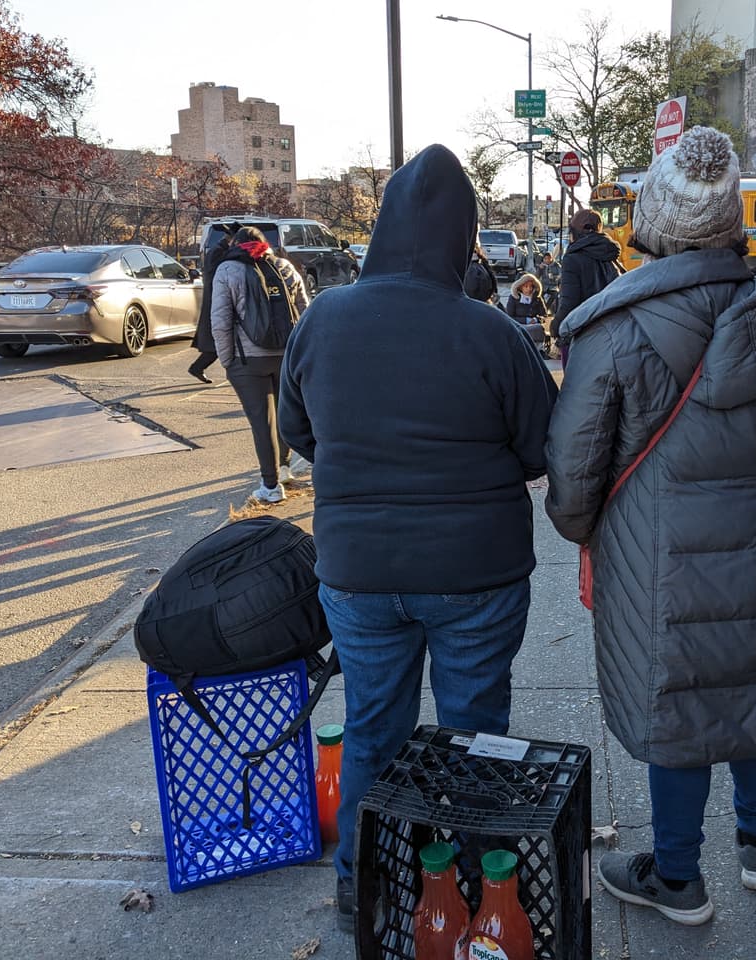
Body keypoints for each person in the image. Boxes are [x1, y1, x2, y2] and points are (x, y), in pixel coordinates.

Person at [544, 127, 756, 926]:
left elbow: (573, 475)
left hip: (654, 559)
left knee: (676, 705)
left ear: (651, 223)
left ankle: (677, 878)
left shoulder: (611, 331)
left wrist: (591, 532)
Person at [278, 143, 558, 933]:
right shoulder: (492, 333)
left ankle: (361, 886)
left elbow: (298, 431)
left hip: (359, 571)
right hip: (476, 572)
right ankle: (475, 888)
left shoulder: (323, 320)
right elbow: (541, 448)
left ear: (384, 230)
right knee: (474, 732)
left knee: (374, 725)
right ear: (461, 238)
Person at [211, 226, 304, 503]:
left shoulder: (227, 270)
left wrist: (227, 361)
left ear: (236, 245)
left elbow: (220, 321)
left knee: (262, 422)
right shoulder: (284, 267)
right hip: (287, 355)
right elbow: (304, 311)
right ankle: (285, 467)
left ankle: (271, 485)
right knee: (286, 413)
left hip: (248, 360)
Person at [552, 208, 622, 368]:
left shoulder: (572, 259)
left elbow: (569, 303)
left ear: (575, 232)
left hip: (580, 335)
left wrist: (555, 327)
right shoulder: (610, 255)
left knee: (576, 381)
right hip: (609, 335)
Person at [187, 222, 238, 383]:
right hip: (216, 299)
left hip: (217, 298)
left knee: (220, 341)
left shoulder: (219, 249)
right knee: (219, 341)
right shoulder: (219, 252)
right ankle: (198, 368)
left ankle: (198, 368)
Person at [506, 272, 549, 355]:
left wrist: (536, 319)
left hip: (535, 326)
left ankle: (539, 350)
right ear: (520, 287)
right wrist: (526, 320)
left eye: (531, 286)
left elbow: (544, 315)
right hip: (519, 325)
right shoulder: (513, 298)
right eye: (526, 286)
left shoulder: (537, 298)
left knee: (538, 328)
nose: (529, 289)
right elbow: (509, 317)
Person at [463, 237, 503, 310]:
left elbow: (471, 292)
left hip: (472, 307)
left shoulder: (470, 269)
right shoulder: (482, 264)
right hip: (484, 306)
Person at [538, 250, 562, 315]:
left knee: (555, 294)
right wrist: (539, 269)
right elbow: (537, 276)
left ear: (551, 258)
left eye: (548, 258)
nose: (547, 260)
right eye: (545, 259)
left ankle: (545, 309)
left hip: (553, 285)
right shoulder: (542, 266)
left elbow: (560, 275)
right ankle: (542, 310)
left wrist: (554, 277)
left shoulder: (556, 265)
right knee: (538, 295)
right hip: (544, 285)